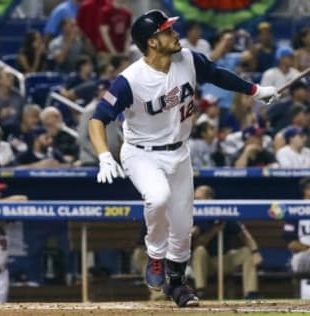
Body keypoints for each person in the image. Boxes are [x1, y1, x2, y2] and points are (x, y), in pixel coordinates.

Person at [88, 9, 277, 307]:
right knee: (158, 197)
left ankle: (178, 285)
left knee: (182, 224)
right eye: (167, 31)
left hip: (179, 152)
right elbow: (98, 119)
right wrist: (103, 155)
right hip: (141, 153)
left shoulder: (187, 59)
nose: (175, 34)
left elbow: (217, 75)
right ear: (152, 42)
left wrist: (255, 90)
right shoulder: (130, 80)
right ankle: (154, 256)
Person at [191, 185, 262, 299]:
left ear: (209, 200)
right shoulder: (195, 216)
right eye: (195, 199)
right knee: (199, 251)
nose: (196, 202)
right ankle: (201, 291)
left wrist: (255, 252)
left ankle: (251, 293)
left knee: (246, 252)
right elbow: (197, 245)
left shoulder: (223, 212)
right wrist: (214, 231)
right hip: (205, 263)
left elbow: (244, 234)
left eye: (199, 199)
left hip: (225, 260)